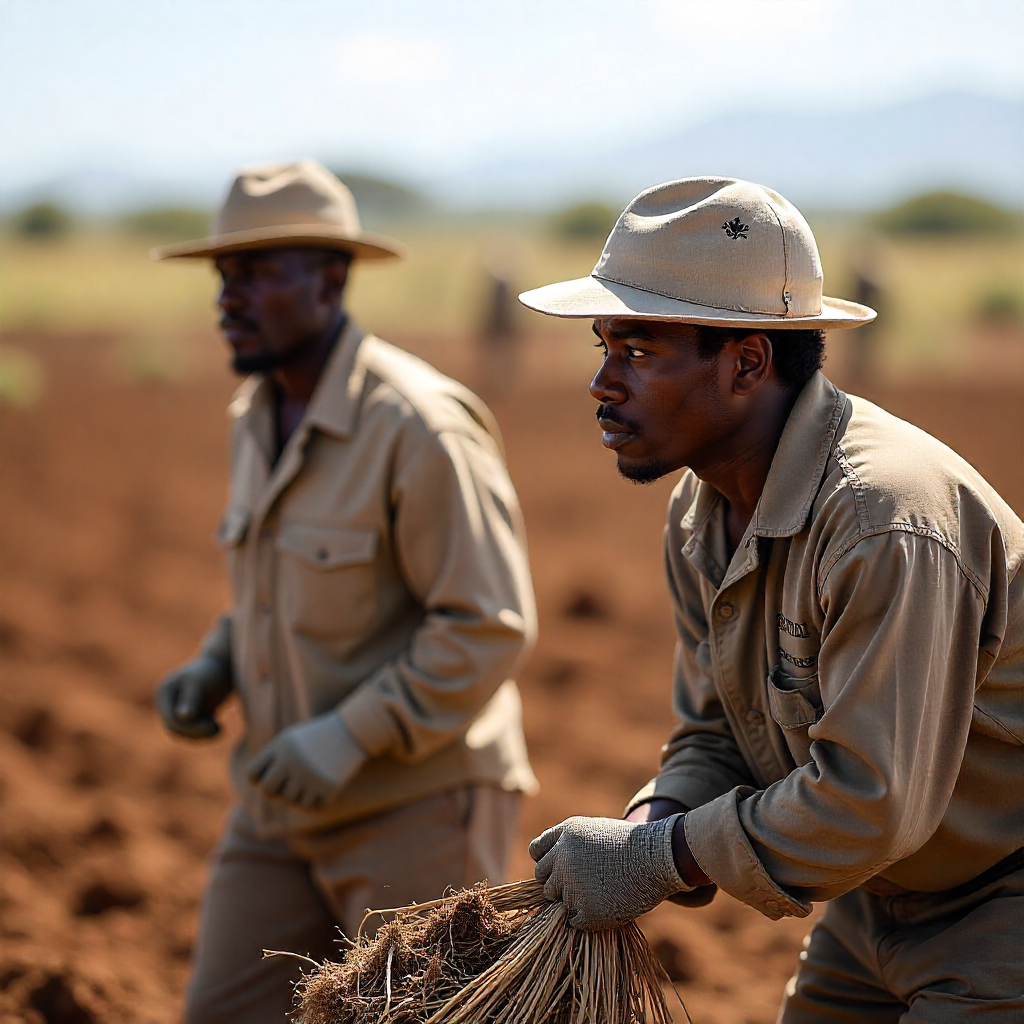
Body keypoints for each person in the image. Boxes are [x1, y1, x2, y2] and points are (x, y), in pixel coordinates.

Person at [518, 177, 1023, 1022]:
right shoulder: (702, 512)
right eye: (603, 347)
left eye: (638, 352)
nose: (603, 382)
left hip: (1002, 898)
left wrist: (663, 859)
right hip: (874, 897)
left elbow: (869, 801)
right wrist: (656, 815)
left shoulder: (882, 522)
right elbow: (716, 727)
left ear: (748, 362)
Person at [153, 160, 538, 1024]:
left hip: (413, 808)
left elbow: (488, 627)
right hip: (275, 804)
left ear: (332, 279)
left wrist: (346, 736)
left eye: (257, 273)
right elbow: (273, 585)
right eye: (224, 274)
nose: (229, 296)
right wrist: (216, 663)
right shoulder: (253, 417)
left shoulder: (419, 426)